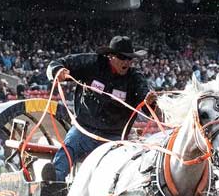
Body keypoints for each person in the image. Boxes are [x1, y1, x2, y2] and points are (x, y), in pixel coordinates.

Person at [46, 36, 151, 181]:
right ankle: (53, 182)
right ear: (111, 56)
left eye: (129, 59)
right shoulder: (92, 64)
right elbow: (57, 64)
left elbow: (146, 102)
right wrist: (58, 70)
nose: (126, 62)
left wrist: (150, 102)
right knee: (68, 149)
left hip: (114, 138)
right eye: (122, 57)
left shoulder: (135, 79)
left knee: (114, 175)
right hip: (84, 129)